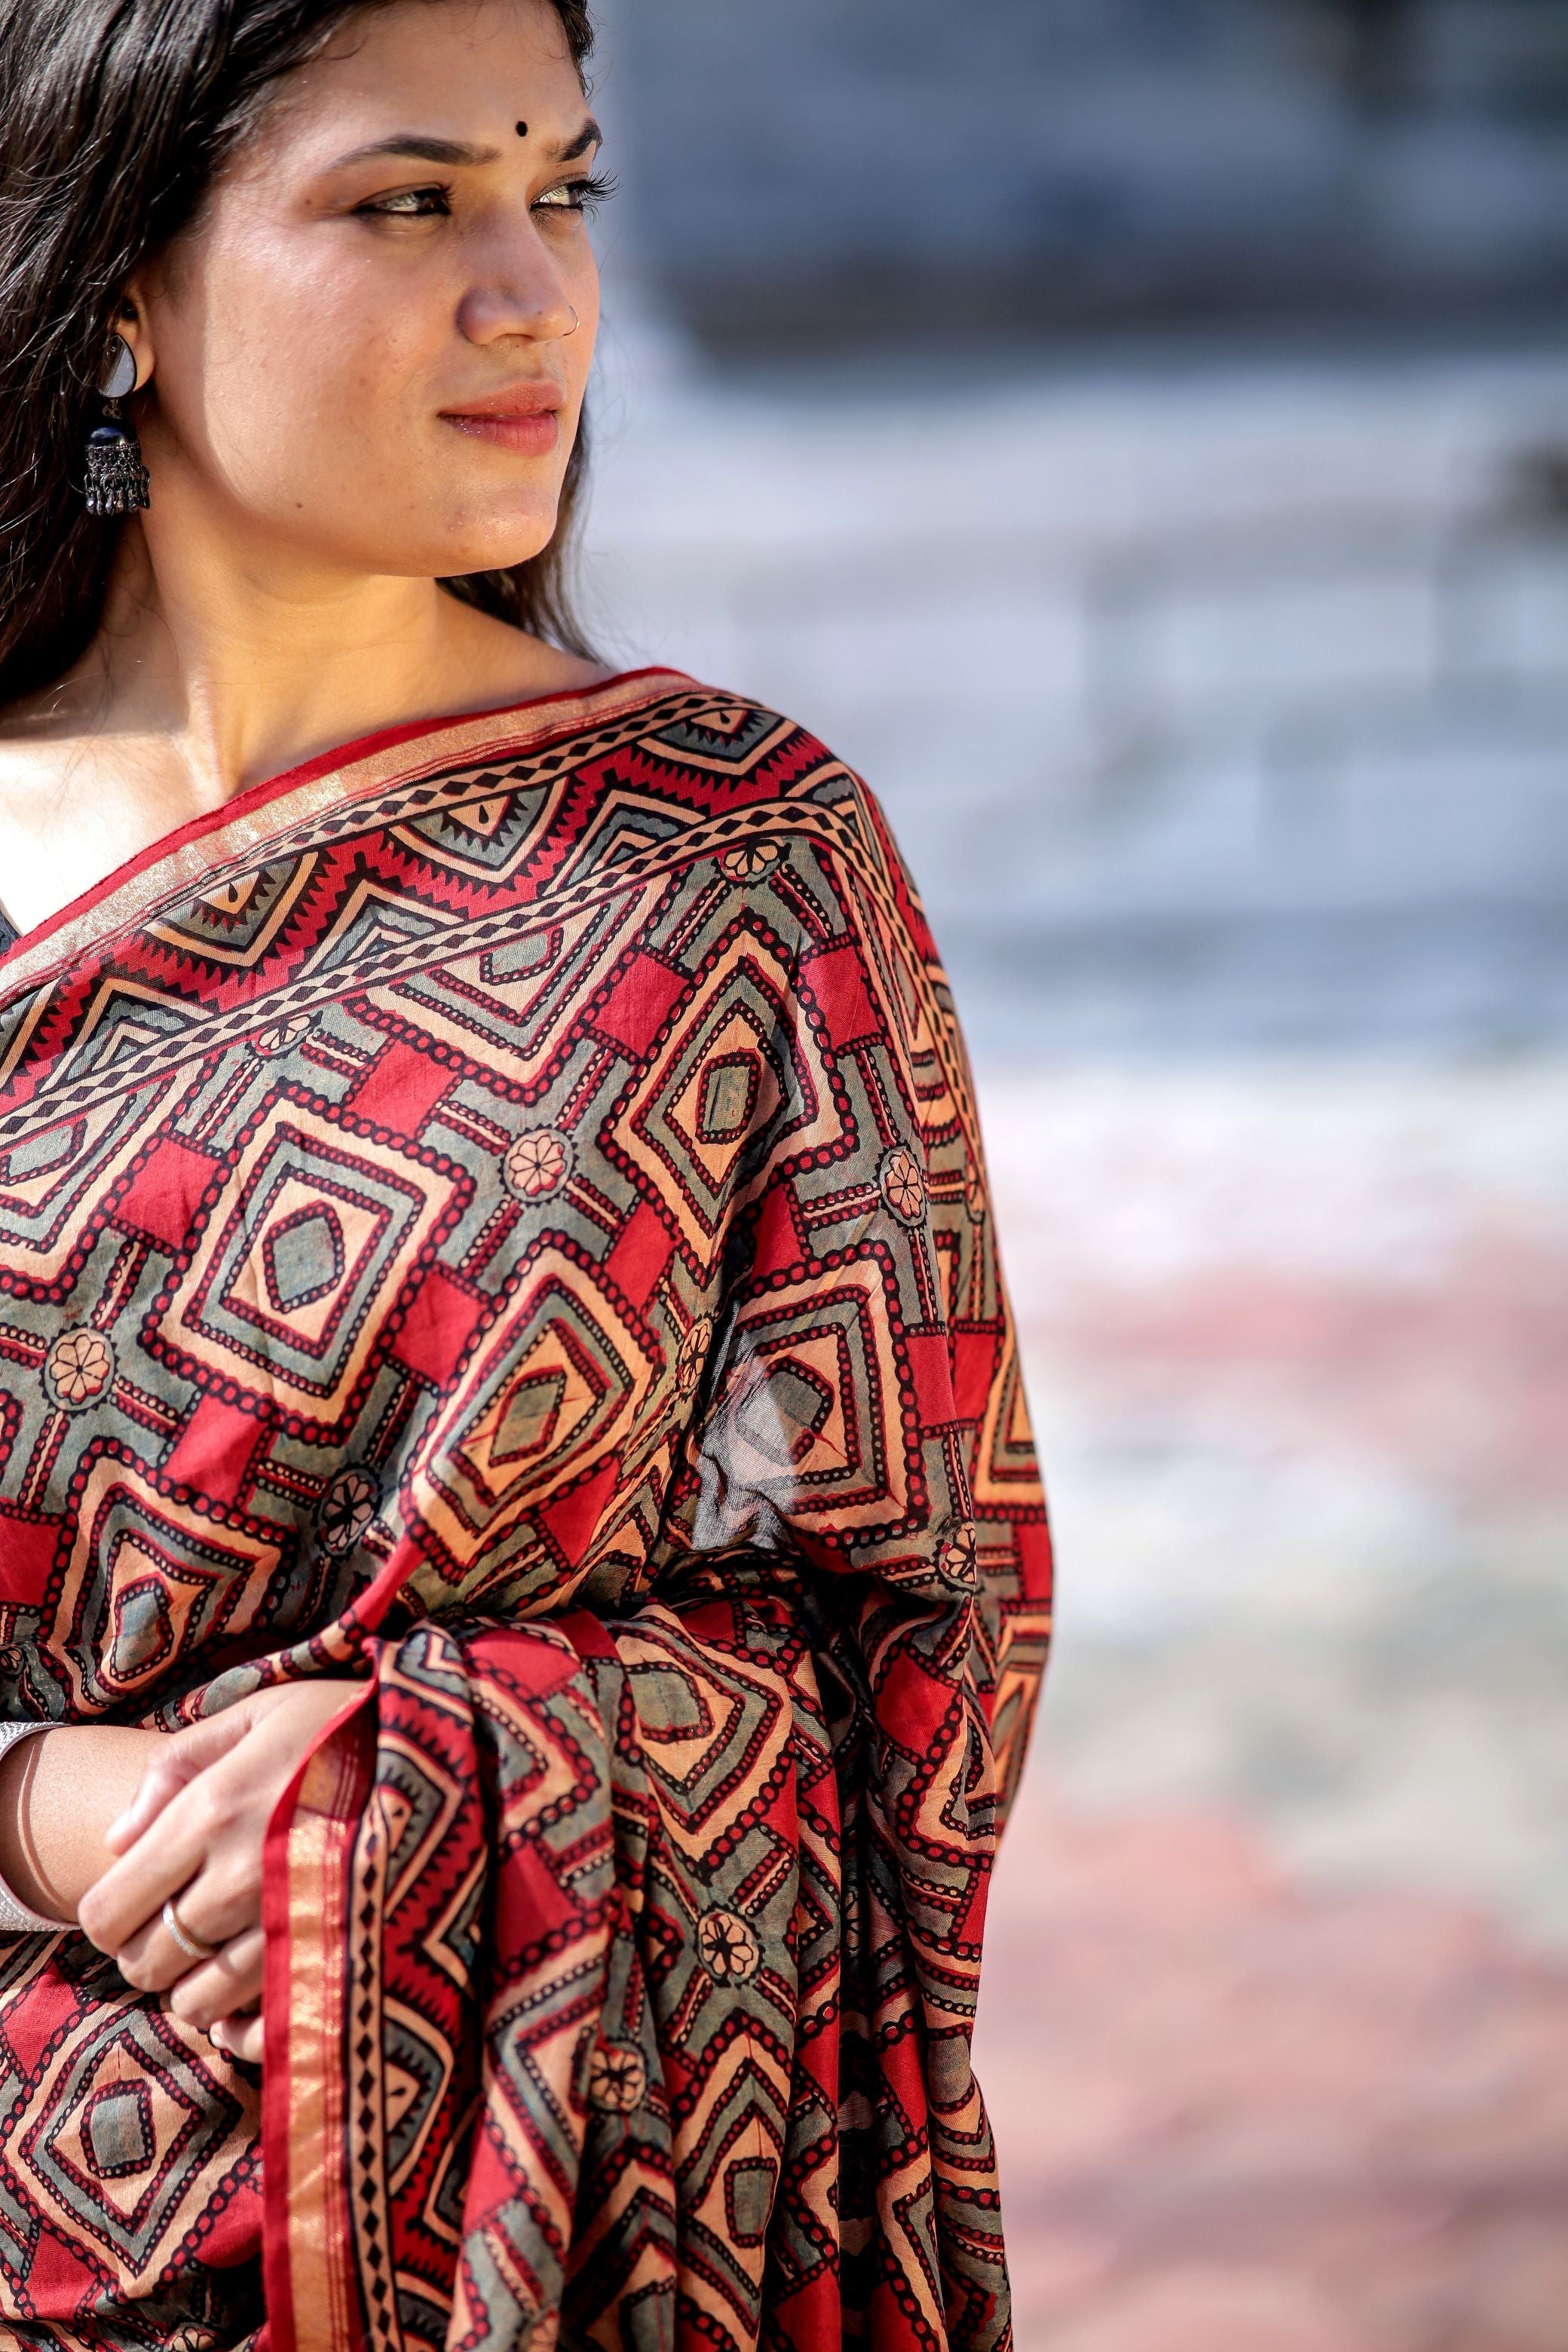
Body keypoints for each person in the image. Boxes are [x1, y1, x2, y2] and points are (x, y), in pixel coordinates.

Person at [0, 0, 1053, 2344]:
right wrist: (42, 1805)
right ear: (118, 297)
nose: (532, 295)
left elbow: (925, 1612)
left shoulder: (726, 862)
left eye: (559, 189)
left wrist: (436, 1781)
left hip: (563, 2218)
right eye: (409, 204)